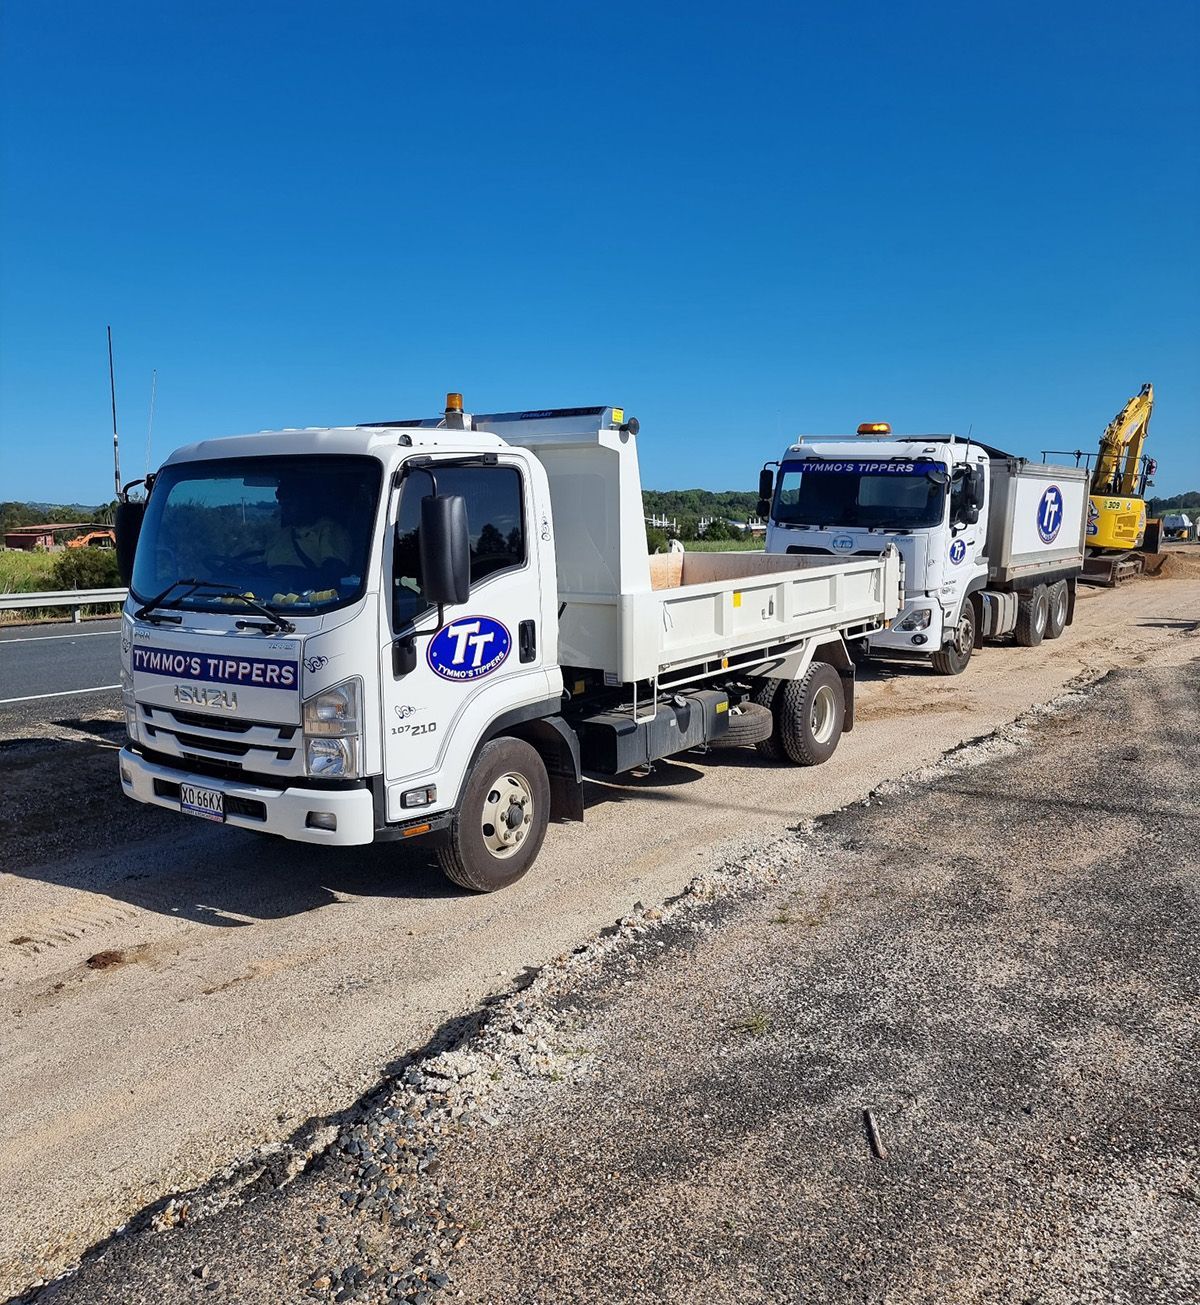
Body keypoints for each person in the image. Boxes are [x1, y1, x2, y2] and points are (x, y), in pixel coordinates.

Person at [265, 478, 352, 572]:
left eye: (290, 504)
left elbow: (333, 574)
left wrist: (295, 579)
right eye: (282, 505)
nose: (284, 510)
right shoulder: (282, 535)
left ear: (306, 502)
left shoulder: (330, 530)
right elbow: (266, 565)